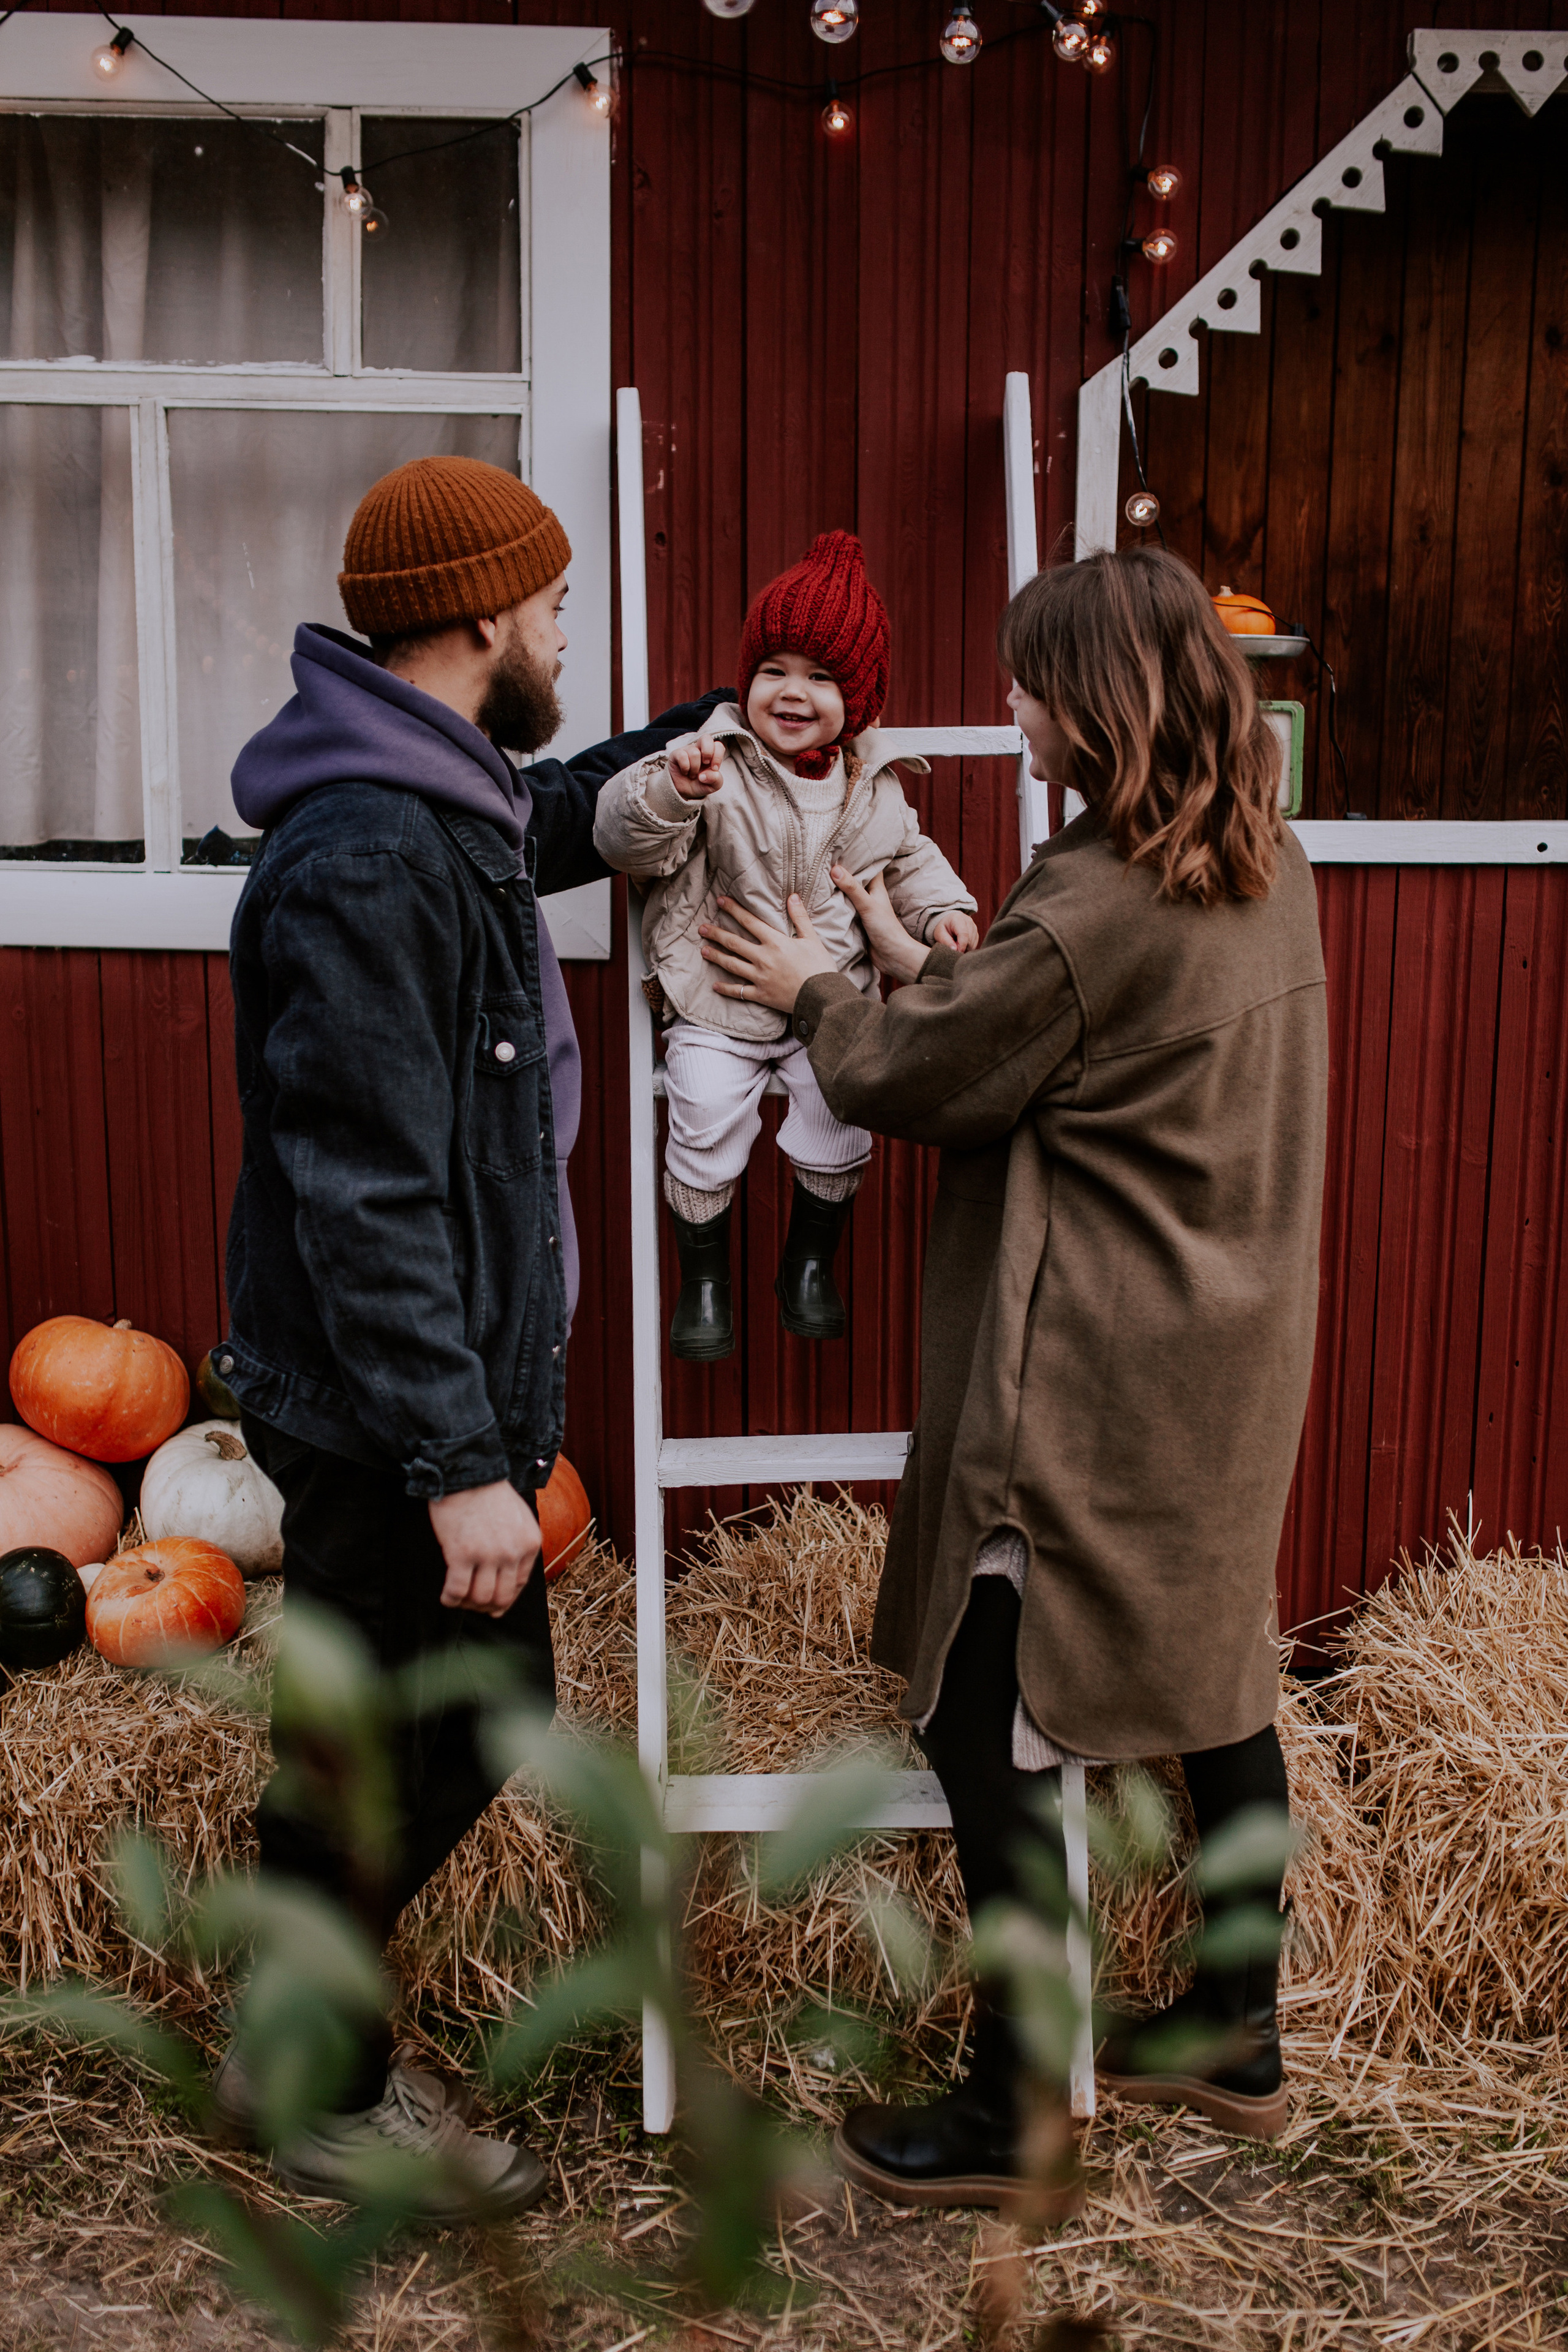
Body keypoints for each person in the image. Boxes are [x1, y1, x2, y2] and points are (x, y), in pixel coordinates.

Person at [696, 546, 1329, 2207]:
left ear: (1094, 707)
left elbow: (928, 1073)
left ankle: (1017, 2108)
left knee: (986, 1706)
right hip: (1225, 1349)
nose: (1011, 706)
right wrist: (933, 968)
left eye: (1031, 684)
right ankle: (1236, 2029)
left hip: (1090, 1362)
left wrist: (816, 993)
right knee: (1218, 1680)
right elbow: (1053, 1033)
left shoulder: (1093, 905)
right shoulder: (1261, 859)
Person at [217, 454, 725, 2217]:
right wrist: (455, 1464)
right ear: (485, 615)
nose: (567, 633)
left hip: (421, 1402)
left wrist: (705, 734)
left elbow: (549, 815)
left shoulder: (440, 797)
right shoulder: (368, 854)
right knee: (392, 1742)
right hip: (383, 1414)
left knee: (445, 1720)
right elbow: (365, 1193)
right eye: (558, 605)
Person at [592, 531, 978, 1360]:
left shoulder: (874, 786)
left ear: (859, 697)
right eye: (774, 670)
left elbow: (911, 859)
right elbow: (622, 841)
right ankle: (704, 1279)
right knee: (701, 1113)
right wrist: (669, 793)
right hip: (716, 1000)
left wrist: (941, 914)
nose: (793, 691)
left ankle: (809, 1264)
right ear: (747, 679)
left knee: (844, 1111)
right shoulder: (712, 765)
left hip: (827, 1008)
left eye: (822, 676)